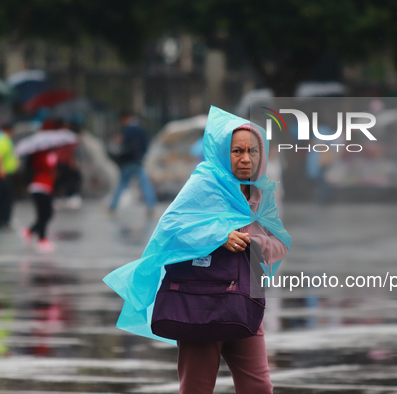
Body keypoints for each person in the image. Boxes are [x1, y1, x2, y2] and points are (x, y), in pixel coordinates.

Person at [103, 107, 291, 394]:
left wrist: (253, 239)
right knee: (196, 387)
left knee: (259, 386)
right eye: (236, 151)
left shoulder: (259, 192)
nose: (244, 158)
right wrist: (219, 235)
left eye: (252, 151)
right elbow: (170, 228)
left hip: (245, 302)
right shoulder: (204, 184)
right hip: (200, 302)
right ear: (221, 151)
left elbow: (279, 247)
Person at [109, 111, 156, 215]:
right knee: (144, 183)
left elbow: (124, 146)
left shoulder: (128, 130)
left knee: (122, 184)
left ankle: (112, 206)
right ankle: (151, 205)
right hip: (138, 160)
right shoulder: (141, 128)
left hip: (128, 161)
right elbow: (145, 144)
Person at [21, 145, 59, 253]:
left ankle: (30, 231)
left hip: (48, 187)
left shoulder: (52, 155)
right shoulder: (39, 155)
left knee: (48, 214)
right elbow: (40, 167)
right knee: (43, 214)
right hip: (38, 186)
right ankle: (42, 239)